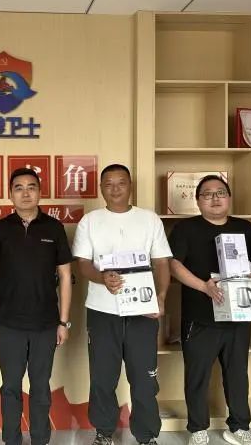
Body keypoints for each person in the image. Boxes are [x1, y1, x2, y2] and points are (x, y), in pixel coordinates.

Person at [72, 164, 171, 445]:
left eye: (121, 183)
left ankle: (146, 435)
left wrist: (161, 297)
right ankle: (104, 432)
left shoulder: (149, 220)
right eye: (109, 184)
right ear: (101, 188)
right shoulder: (90, 221)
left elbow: (162, 262)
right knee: (102, 377)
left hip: (143, 311)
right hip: (102, 311)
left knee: (144, 378)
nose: (115, 189)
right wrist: (102, 278)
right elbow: (83, 264)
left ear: (131, 186)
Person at [168, 175, 251, 445]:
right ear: (197, 200)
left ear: (229, 197)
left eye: (220, 192)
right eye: (207, 194)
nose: (215, 198)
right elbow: (173, 265)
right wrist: (203, 286)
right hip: (200, 317)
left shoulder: (244, 227)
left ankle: (239, 427)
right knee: (197, 375)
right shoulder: (185, 228)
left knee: (237, 374)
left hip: (239, 316)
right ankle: (197, 429)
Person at [0, 167, 73, 445]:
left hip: (46, 324)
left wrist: (63, 322)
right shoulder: (1, 229)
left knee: (40, 388)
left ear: (40, 192)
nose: (25, 193)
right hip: (8, 323)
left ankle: (40, 439)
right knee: (10, 387)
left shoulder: (54, 228)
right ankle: (11, 439)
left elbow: (66, 276)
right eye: (19, 188)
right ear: (10, 194)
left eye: (31, 187)